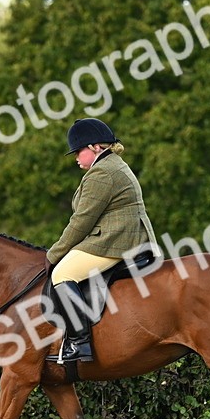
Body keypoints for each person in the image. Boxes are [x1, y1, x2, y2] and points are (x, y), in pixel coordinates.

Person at [45, 118, 159, 363]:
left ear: (96, 147)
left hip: (117, 241)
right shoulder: (111, 166)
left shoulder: (102, 174)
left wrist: (53, 254)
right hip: (123, 236)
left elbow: (81, 222)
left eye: (78, 151)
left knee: (62, 274)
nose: (75, 157)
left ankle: (79, 342)